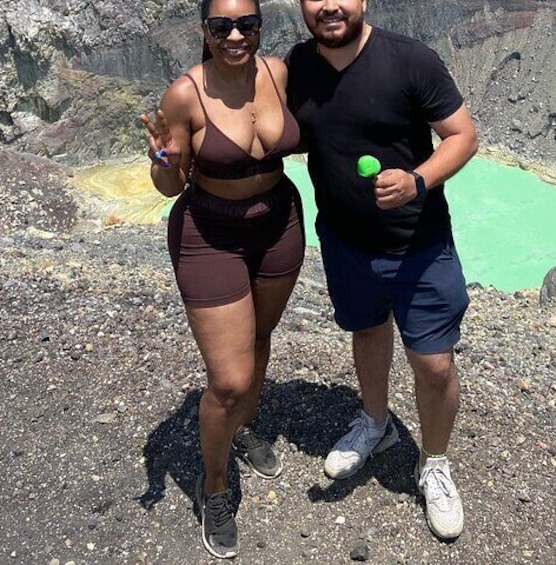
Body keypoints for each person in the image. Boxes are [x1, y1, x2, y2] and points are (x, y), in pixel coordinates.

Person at [286, 0, 478, 541]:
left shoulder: (411, 59)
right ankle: (376, 423)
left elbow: (463, 136)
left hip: (418, 244)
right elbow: (285, 128)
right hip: (346, 242)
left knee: (434, 363)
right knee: (367, 331)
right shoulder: (299, 65)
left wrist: (417, 180)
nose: (329, 5)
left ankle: (435, 463)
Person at [140, 0, 304, 558]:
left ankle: (245, 426)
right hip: (209, 235)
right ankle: (214, 486)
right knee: (229, 379)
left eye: (247, 24)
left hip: (279, 223)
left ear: (261, 26)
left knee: (260, 340)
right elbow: (169, 185)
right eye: (222, 26)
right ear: (205, 32)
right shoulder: (185, 93)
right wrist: (163, 160)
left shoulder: (278, 73)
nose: (236, 35)